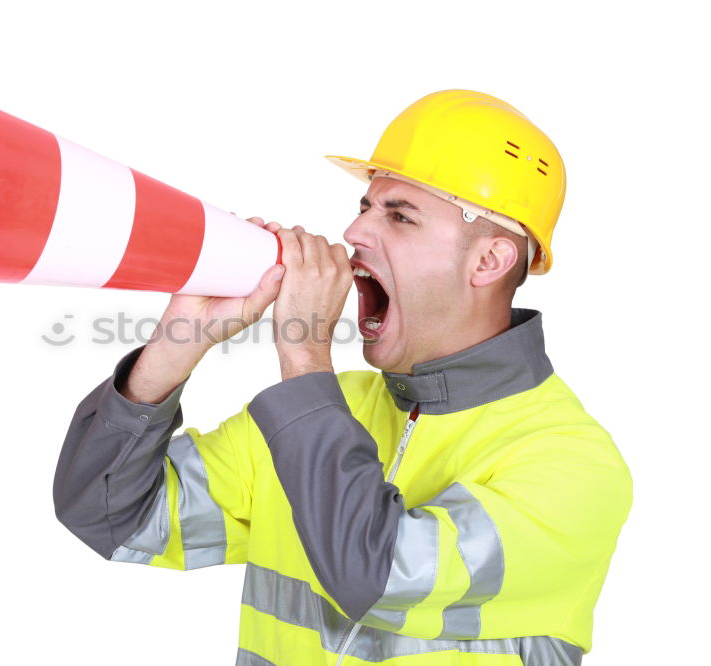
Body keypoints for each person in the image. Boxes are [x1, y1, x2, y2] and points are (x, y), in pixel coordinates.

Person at [53, 90, 632, 665]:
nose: (355, 233)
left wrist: (304, 354)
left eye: (400, 215)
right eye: (365, 206)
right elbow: (108, 517)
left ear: (489, 261)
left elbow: (376, 577)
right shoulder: (322, 415)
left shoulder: (573, 464)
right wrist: (176, 346)